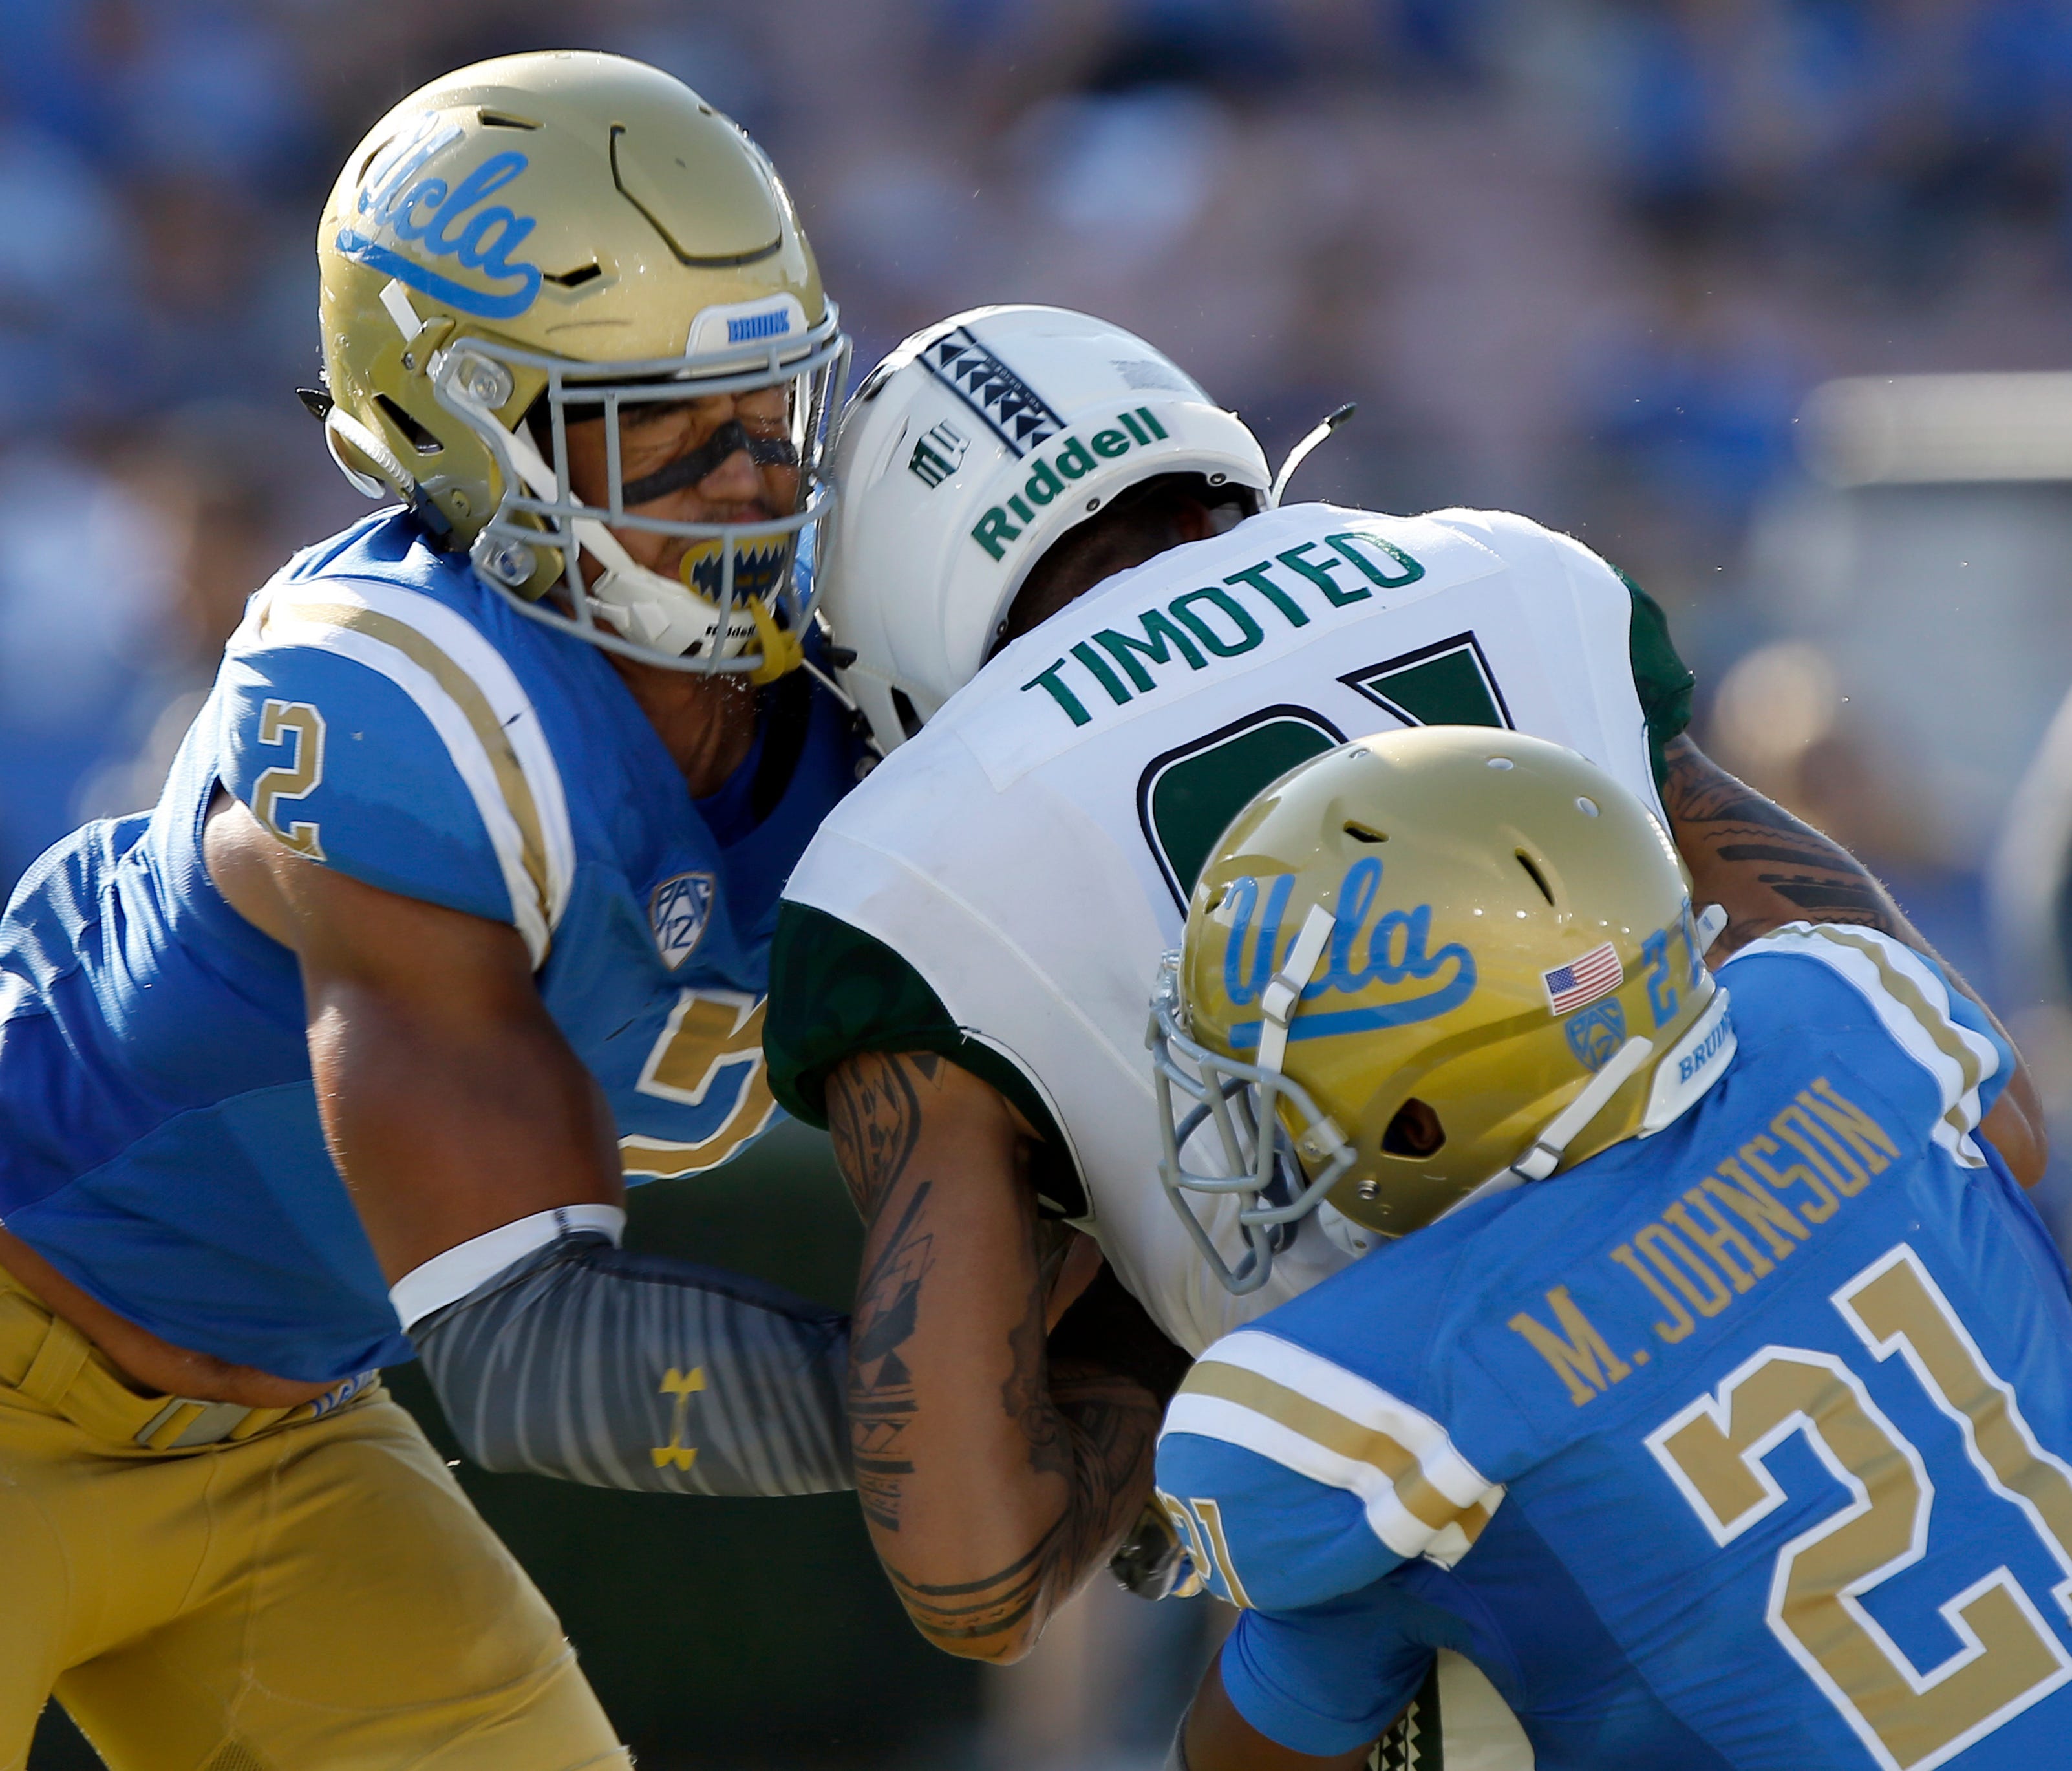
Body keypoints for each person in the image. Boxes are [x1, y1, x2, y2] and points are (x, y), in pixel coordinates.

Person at [764, 303, 2042, 1684]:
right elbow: (1984, 1110)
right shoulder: (1505, 567)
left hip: (1497, 1587)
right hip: (1931, 1470)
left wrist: (1168, 1277)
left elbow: (975, 1563)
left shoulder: (911, 863)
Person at [0, 52, 862, 1769]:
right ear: (460, 432)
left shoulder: (852, 685)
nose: (756, 486)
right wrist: (1026, 1416)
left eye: (771, 411)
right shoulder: (411, 705)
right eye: (667, 434)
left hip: (287, 1436)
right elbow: (547, 1363)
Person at [1151, 726, 2058, 1769]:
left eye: (1277, 1089)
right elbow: (2016, 1139)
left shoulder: (1396, 1387)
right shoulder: (1842, 1002)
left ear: (1422, 1108)